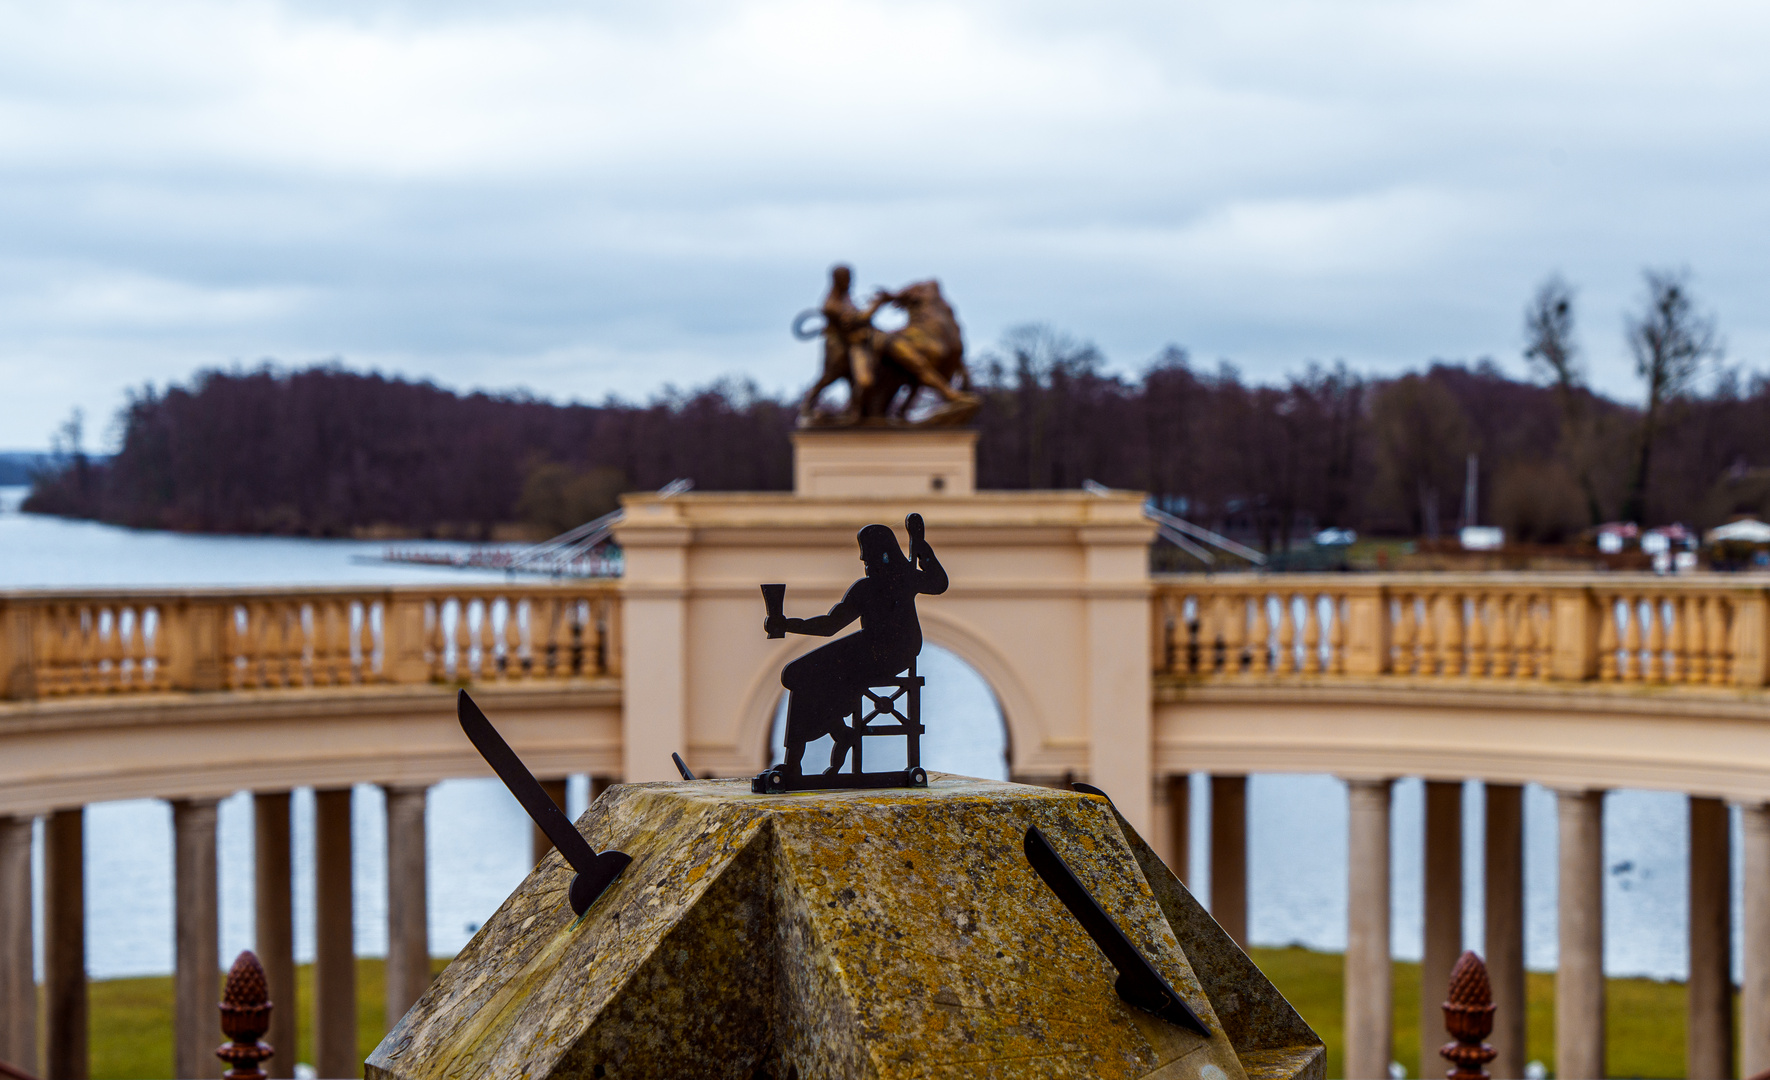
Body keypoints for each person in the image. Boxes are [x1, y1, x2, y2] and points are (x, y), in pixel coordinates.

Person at [764, 513, 948, 776]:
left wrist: (920, 546)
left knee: (803, 673)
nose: (862, 559)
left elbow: (939, 583)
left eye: (866, 553)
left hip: (886, 652)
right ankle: (833, 735)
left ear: (881, 553)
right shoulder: (894, 581)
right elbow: (831, 625)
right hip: (883, 649)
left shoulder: (893, 581)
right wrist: (787, 624)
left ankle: (805, 754)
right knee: (797, 673)